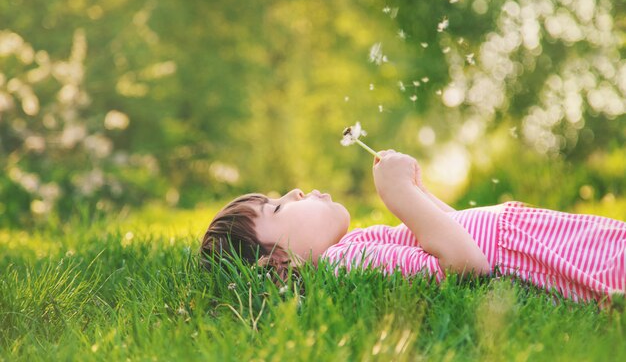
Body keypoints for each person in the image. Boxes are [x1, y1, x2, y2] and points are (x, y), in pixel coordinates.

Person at [201, 150, 626, 308]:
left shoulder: (353, 246)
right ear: (279, 261)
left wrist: (418, 192)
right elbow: (467, 264)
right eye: (277, 207)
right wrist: (397, 193)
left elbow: (454, 231)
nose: (294, 191)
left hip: (541, 235)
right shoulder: (345, 261)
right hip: (543, 251)